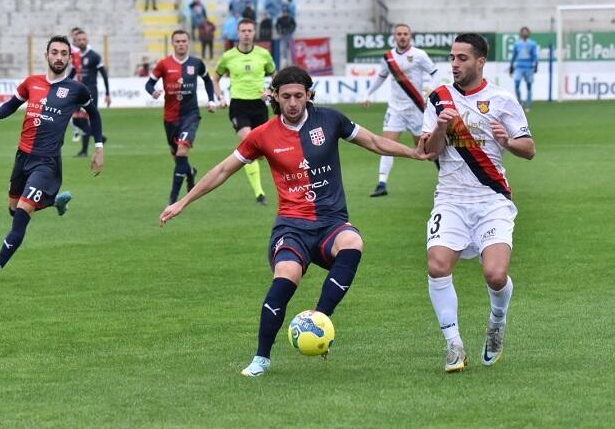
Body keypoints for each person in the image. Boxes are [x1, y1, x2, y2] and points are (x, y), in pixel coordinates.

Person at [159, 66, 432, 377]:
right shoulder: (262, 135)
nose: (292, 102)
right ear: (274, 96)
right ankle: (261, 359)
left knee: (353, 241)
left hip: (331, 224)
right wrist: (184, 201)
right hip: (292, 227)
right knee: (286, 276)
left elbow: (373, 141)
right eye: (285, 96)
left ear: (309, 95)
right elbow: (223, 170)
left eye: (298, 96)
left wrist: (413, 153)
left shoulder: (330, 120)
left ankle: (319, 321)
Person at [422, 33, 535, 373]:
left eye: (462, 58)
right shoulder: (439, 99)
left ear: (480, 61)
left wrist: (508, 141)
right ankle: (454, 346)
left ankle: (497, 322)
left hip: (492, 200)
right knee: (438, 266)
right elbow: (429, 151)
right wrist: (441, 128)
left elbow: (529, 148)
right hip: (451, 199)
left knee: (495, 274)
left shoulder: (501, 99)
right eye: (452, 58)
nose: (454, 64)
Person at [0, 35, 105, 272]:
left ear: (69, 58)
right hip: (22, 157)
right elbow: (9, 106)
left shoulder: (76, 89)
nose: (59, 57)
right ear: (46, 55)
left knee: (20, 219)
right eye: (54, 52)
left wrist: (99, 147)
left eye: (64, 53)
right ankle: (55, 201)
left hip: (46, 162)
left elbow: (94, 115)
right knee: (13, 209)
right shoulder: (31, 83)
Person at [363, 23, 439, 197]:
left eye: (405, 34)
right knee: (387, 145)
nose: (402, 36)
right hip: (395, 109)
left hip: (416, 109)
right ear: (394, 37)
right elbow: (381, 77)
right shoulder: (388, 57)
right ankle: (382, 183)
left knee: (427, 149)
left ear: (410, 36)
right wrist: (368, 94)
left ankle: (447, 180)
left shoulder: (419, 55)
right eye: (399, 34)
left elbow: (434, 72)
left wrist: (431, 88)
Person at [145, 30, 216, 204]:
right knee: (178, 158)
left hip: (191, 115)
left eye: (184, 41)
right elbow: (149, 83)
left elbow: (208, 80)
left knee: (182, 150)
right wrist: (153, 92)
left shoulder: (196, 63)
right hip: (170, 117)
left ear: (188, 43)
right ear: (173, 43)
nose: (181, 44)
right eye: (178, 41)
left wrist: (212, 100)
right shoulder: (164, 64)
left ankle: (174, 199)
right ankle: (190, 172)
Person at [213, 18, 275, 205]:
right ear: (238, 33)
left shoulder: (264, 54)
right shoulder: (228, 56)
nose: (246, 34)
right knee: (248, 142)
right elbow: (215, 78)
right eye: (243, 31)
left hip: (259, 106)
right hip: (239, 106)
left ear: (254, 33)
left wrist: (270, 91)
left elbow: (276, 75)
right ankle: (259, 193)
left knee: (262, 150)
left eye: (249, 30)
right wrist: (220, 97)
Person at [70, 30, 110, 157]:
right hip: (78, 91)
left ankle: (84, 151)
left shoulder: (94, 56)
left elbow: (104, 75)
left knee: (85, 120)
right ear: (75, 42)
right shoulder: (75, 57)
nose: (81, 42)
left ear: (87, 40)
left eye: (84, 39)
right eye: (79, 40)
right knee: (76, 121)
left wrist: (108, 93)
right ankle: (100, 137)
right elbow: (72, 74)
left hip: (91, 91)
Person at [509, 26, 539, 112]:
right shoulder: (517, 44)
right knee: (517, 84)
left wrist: (536, 65)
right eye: (523, 31)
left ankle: (528, 105)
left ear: (528, 33)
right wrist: (511, 67)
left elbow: (535, 55)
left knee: (529, 86)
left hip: (529, 67)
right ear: (521, 33)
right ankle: (519, 102)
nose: (525, 33)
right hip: (519, 66)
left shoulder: (532, 44)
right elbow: (514, 55)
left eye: (526, 31)